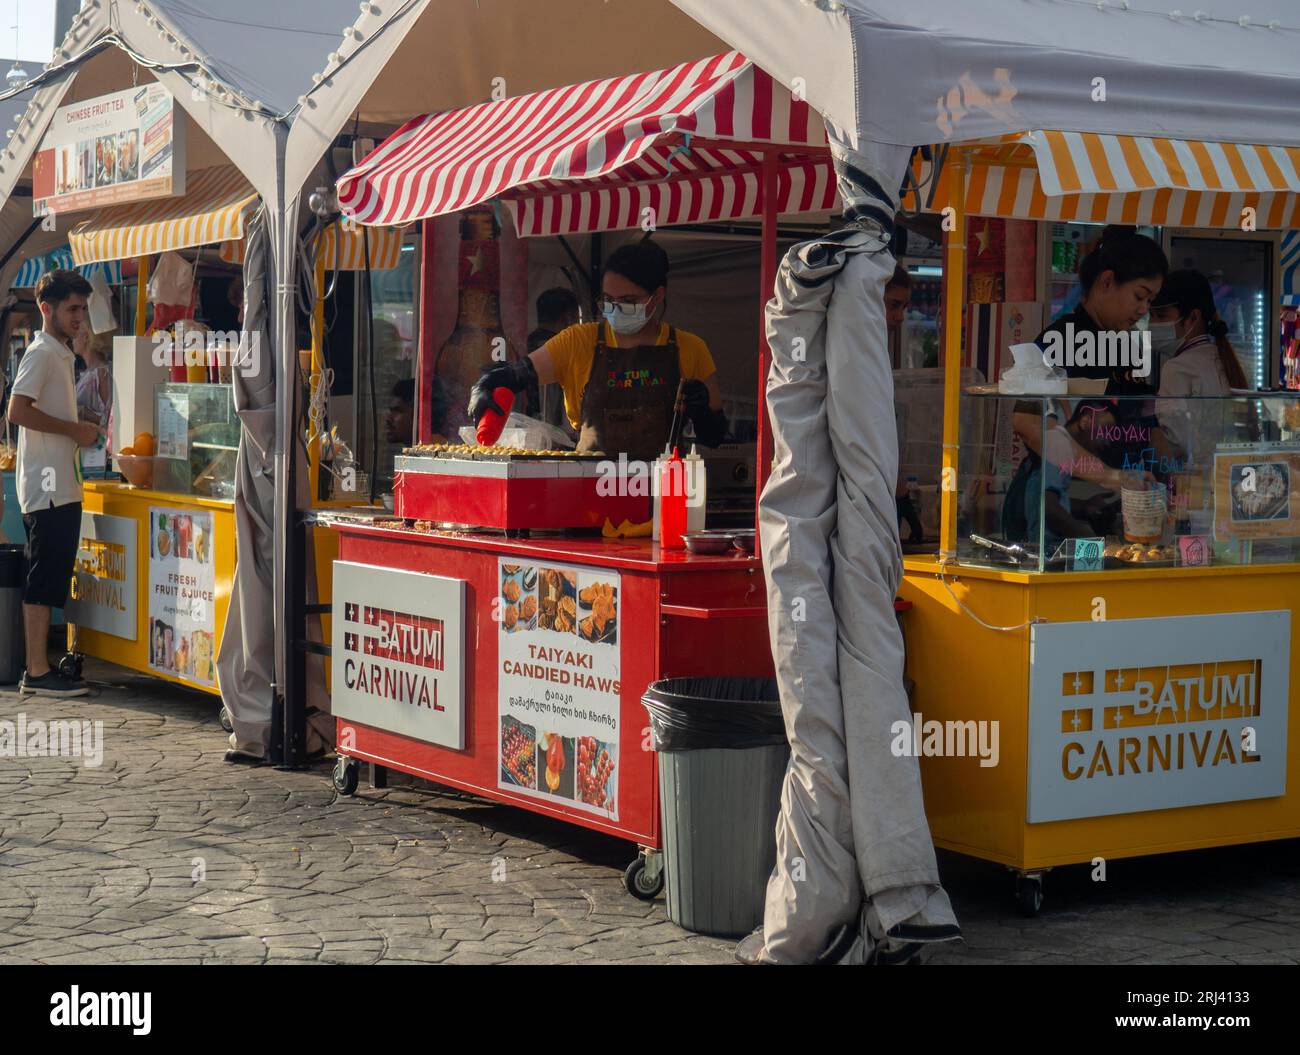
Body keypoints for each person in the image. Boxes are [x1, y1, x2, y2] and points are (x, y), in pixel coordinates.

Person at [468, 241, 727, 462]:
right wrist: (486, 384)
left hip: (661, 495)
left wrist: (702, 412)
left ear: (657, 296)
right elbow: (516, 375)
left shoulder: (691, 348)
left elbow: (714, 437)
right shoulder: (578, 341)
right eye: (609, 300)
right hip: (590, 488)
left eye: (628, 301)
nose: (615, 308)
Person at [7, 270, 100, 696]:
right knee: (44, 579)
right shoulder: (42, 352)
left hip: (57, 484)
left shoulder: (56, 351)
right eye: (73, 308)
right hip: (46, 486)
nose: (80, 316)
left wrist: (77, 425)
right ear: (48, 309)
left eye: (83, 308)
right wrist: (72, 430)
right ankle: (37, 671)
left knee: (51, 575)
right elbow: (17, 411)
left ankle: (40, 668)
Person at [527, 287, 581, 429]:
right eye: (577, 318)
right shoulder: (567, 352)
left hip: (522, 432)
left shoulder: (523, 346)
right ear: (568, 319)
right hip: (558, 437)